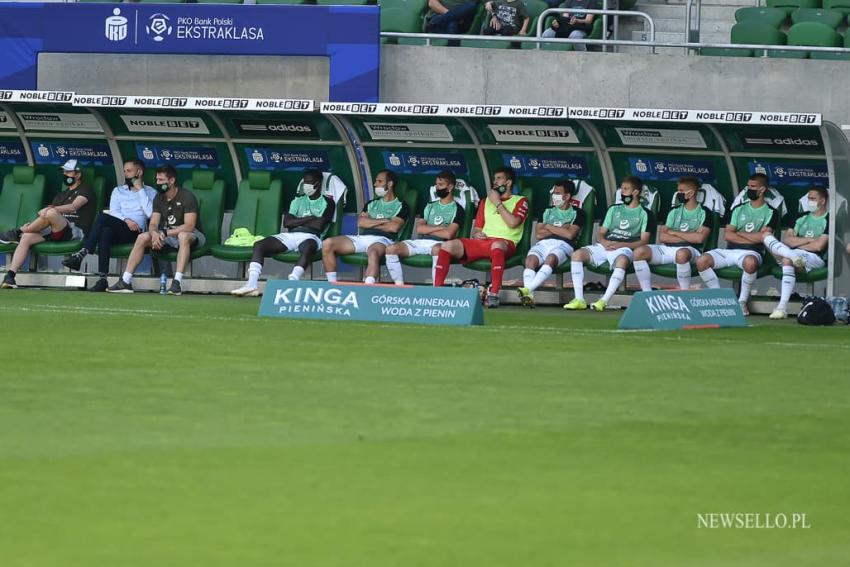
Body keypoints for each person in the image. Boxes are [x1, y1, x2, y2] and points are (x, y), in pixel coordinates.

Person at [434, 166, 529, 308]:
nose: (494, 182)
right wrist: (477, 234)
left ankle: (494, 294)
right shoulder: (485, 201)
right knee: (447, 245)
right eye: (494, 179)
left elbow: (513, 223)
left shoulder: (521, 200)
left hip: (504, 243)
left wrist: (498, 202)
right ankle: (438, 292)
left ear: (508, 183)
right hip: (482, 242)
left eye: (499, 179)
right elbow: (476, 229)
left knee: (497, 245)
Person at [231, 169, 335, 297]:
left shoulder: (328, 202)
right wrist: (310, 218)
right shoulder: (298, 200)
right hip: (291, 235)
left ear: (318, 184)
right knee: (259, 245)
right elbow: (287, 223)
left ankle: (293, 280)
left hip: (312, 236)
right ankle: (251, 284)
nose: (306, 185)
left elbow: (319, 226)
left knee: (308, 246)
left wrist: (298, 221)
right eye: (305, 182)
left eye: (309, 182)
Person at [106, 164, 205, 295]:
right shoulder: (159, 197)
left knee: (183, 236)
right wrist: (154, 234)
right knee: (142, 237)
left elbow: (189, 226)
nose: (158, 183)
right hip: (167, 237)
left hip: (192, 235)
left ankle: (176, 283)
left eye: (161, 180)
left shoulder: (186, 196)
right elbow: (153, 223)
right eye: (157, 180)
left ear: (172, 181)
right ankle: (125, 281)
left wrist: (163, 233)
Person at [62, 158, 156, 292]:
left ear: (139, 172)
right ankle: (102, 279)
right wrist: (127, 220)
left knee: (103, 217)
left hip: (137, 232)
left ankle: (83, 252)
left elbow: (150, 213)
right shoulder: (118, 191)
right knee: (105, 230)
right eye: (124, 171)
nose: (126, 174)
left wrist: (140, 190)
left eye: (129, 171)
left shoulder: (150, 192)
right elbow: (114, 212)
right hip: (121, 227)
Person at [564, 176, 655, 311]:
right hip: (606, 245)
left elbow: (644, 241)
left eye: (626, 189)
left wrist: (621, 245)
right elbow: (601, 233)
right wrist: (604, 241)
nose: (622, 192)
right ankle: (579, 299)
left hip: (626, 248)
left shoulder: (645, 213)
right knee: (577, 255)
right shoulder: (613, 209)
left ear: (635, 192)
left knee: (622, 261)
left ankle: (603, 301)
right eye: (621, 189)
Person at [1, 160, 95, 289]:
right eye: (64, 172)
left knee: (50, 213)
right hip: (56, 230)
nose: (65, 174)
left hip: (75, 232)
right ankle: (10, 277)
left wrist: (51, 210)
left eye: (68, 172)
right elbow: (48, 215)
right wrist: (48, 211)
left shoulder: (85, 188)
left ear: (77, 175)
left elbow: (74, 207)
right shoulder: (61, 194)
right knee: (27, 237)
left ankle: (18, 232)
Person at [696, 173, 776, 316]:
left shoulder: (771, 212)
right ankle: (720, 298)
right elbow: (728, 235)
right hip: (730, 250)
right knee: (702, 261)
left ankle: (742, 302)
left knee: (750, 263)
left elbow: (763, 238)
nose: (749, 189)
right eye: (748, 186)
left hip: (753, 252)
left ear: (762, 189)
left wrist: (739, 234)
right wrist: (751, 236)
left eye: (753, 187)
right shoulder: (738, 208)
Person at [322, 170, 409, 285]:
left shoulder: (402, 205)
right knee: (328, 243)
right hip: (362, 238)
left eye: (379, 181)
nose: (375, 184)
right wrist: (384, 220)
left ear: (390, 184)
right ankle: (331, 284)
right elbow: (361, 223)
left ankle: (368, 286)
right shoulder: (371, 203)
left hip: (382, 240)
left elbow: (393, 227)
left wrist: (371, 222)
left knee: (373, 253)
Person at [632, 176, 713, 292]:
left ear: (691, 193)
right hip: (668, 249)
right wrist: (689, 235)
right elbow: (663, 236)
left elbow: (699, 239)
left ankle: (684, 292)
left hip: (692, 251)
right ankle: (647, 293)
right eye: (678, 190)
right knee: (639, 252)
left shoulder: (704, 212)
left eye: (681, 191)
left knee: (681, 253)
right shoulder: (673, 211)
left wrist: (674, 233)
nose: (678, 194)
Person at [384, 170, 465, 286]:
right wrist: (440, 228)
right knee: (391, 249)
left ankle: (436, 289)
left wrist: (430, 228)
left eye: (441, 185)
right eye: (436, 184)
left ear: (450, 187)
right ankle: (399, 287)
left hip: (440, 244)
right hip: (421, 241)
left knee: (437, 250)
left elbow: (449, 234)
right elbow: (419, 229)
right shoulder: (429, 206)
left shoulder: (458, 209)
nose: (437, 188)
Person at [518, 180, 585, 308]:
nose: (554, 196)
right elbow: (538, 234)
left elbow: (570, 235)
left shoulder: (578, 213)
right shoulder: (547, 211)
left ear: (567, 196)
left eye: (558, 193)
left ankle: (528, 289)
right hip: (543, 243)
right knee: (530, 260)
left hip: (564, 245)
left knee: (551, 258)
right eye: (554, 192)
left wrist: (548, 226)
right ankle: (529, 295)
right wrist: (562, 228)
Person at [765, 185, 829, 319]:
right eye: (808, 198)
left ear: (822, 201)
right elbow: (787, 240)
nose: (809, 201)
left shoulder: (829, 219)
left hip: (815, 258)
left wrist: (799, 241)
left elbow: (818, 246)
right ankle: (781, 308)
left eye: (813, 198)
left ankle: (781, 307)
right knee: (766, 237)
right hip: (795, 255)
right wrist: (809, 240)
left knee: (786, 258)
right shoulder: (801, 217)